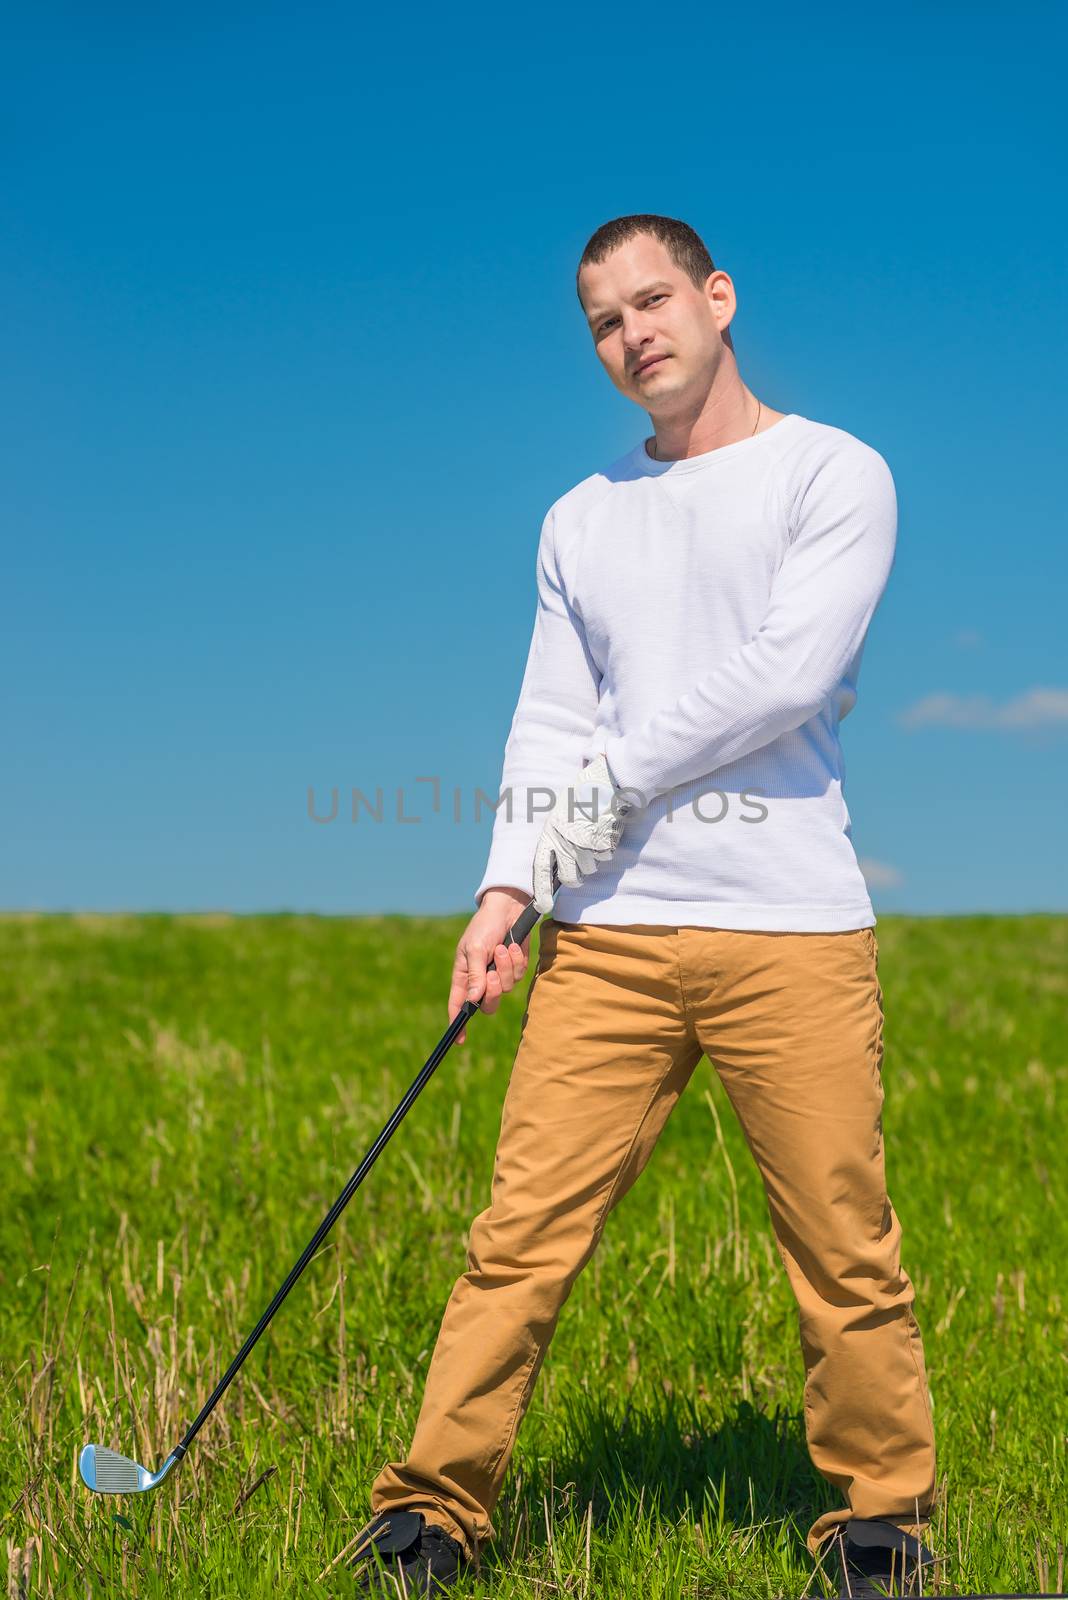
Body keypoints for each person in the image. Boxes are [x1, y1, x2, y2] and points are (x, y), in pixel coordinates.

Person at [351, 214, 939, 1599]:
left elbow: (787, 674)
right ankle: (430, 1515)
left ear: (718, 298)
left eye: (655, 301)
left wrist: (606, 781)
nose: (634, 336)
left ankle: (880, 1524)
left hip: (789, 928)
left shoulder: (834, 472)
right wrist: (505, 888)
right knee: (517, 1241)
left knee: (841, 1245)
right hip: (601, 940)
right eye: (606, 323)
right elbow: (548, 719)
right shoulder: (580, 516)